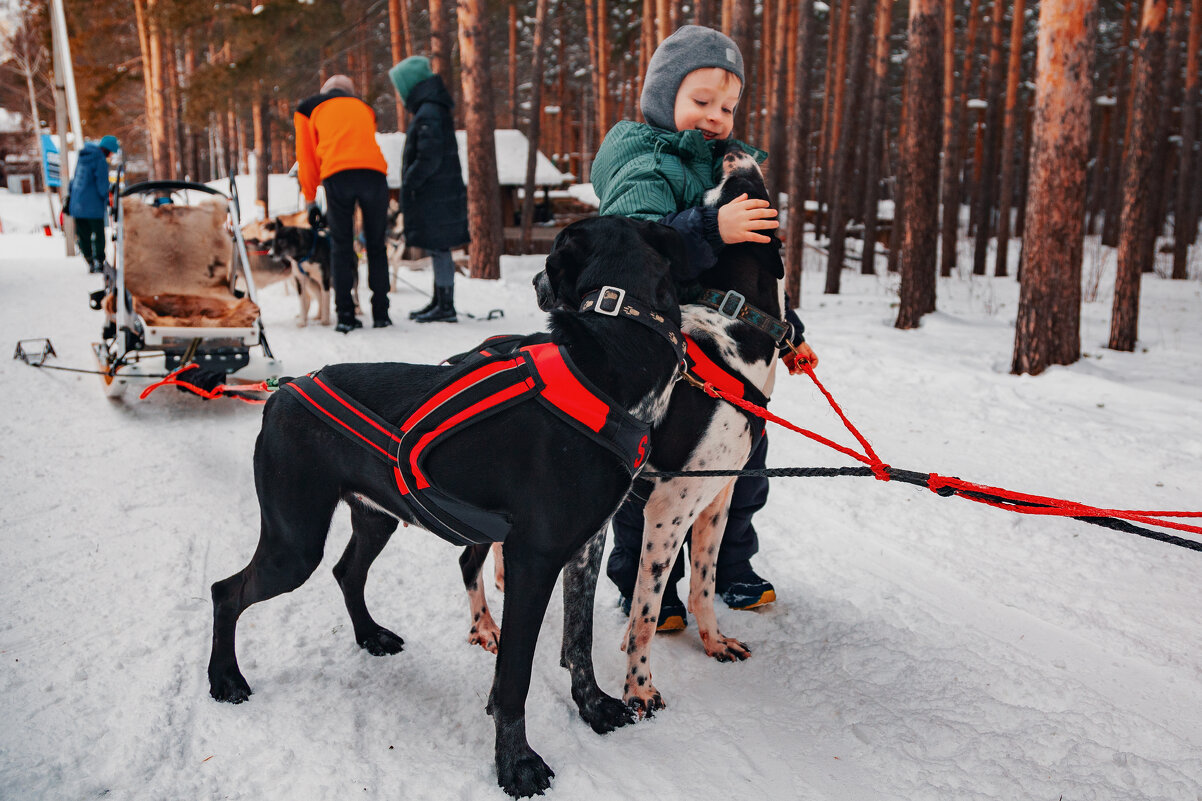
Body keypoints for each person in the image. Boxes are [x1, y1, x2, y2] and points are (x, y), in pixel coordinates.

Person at [591, 25, 819, 630]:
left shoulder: (725, 165)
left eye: (727, 106)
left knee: (741, 473)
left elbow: (752, 275)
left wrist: (785, 330)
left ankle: (730, 567)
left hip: (726, 355)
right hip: (656, 344)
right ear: (662, 96)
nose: (715, 117)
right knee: (647, 474)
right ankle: (643, 585)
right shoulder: (640, 158)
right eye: (700, 101)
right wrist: (711, 226)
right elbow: (634, 246)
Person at [294, 74, 392, 333]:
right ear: (349, 92)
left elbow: (306, 156)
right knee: (376, 244)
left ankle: (346, 315)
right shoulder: (364, 108)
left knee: (341, 244)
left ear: (325, 91)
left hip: (338, 174)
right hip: (375, 175)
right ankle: (381, 312)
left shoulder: (308, 107)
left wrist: (310, 199)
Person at [388, 55, 469, 323]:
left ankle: (445, 306)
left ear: (410, 85)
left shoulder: (429, 112)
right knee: (438, 247)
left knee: (440, 247)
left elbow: (428, 156)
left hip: (437, 193)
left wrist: (411, 181)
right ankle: (439, 300)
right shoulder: (431, 108)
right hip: (439, 192)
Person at [67, 134, 118, 274]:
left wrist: (70, 199)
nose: (112, 155)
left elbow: (74, 180)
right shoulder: (100, 160)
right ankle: (99, 261)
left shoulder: (83, 157)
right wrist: (109, 200)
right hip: (93, 205)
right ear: (108, 149)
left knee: (83, 235)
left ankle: (89, 260)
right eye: (112, 152)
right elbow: (102, 184)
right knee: (98, 234)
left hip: (76, 203)